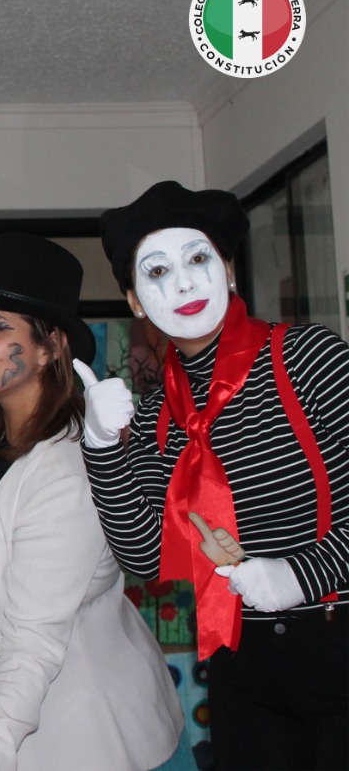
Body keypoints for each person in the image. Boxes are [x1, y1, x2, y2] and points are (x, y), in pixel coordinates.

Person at [78, 180, 349, 770]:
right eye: (156, 271)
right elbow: (146, 556)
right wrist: (99, 445)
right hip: (239, 660)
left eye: (197, 259)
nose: (181, 283)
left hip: (335, 637)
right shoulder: (157, 416)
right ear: (134, 301)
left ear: (227, 270)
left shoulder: (308, 358)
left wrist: (302, 573)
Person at [0, 233, 186, 770]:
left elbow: (33, 643)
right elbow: (7, 521)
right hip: (10, 707)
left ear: (50, 347)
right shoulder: (21, 448)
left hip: (69, 733)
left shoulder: (66, 469)